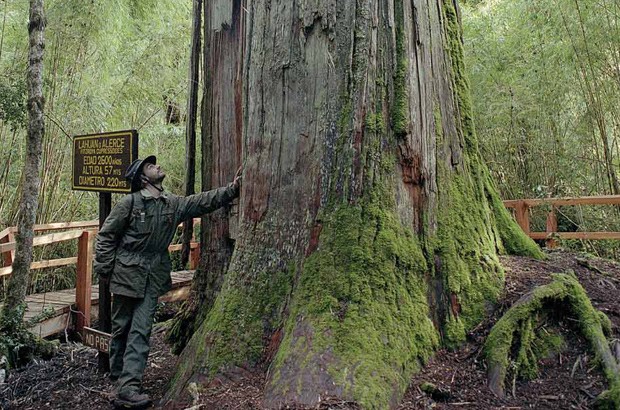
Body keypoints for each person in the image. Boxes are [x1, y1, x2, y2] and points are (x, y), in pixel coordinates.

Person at [94, 155, 241, 408]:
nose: (157, 166)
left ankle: (128, 388)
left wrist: (232, 190)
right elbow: (106, 237)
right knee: (121, 329)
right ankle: (118, 377)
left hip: (152, 276)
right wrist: (106, 271)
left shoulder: (171, 203)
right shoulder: (129, 203)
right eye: (151, 166)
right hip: (126, 274)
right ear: (142, 178)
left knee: (140, 330)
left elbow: (200, 202)